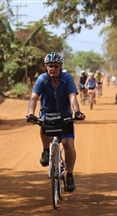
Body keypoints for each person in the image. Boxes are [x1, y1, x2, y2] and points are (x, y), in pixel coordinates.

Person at [26, 52, 86, 192]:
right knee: (42, 124)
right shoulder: (42, 79)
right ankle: (46, 151)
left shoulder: (67, 78)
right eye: (50, 66)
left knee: (68, 144)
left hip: (65, 116)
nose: (53, 69)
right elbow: (34, 98)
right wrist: (31, 114)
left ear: (60, 67)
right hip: (47, 115)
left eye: (56, 66)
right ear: (46, 67)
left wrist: (77, 112)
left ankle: (70, 175)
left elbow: (72, 96)